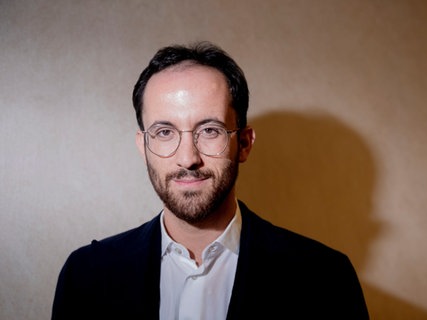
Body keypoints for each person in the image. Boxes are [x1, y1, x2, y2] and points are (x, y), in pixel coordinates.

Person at [52, 41, 369, 320]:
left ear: (243, 143)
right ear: (143, 146)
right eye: (165, 132)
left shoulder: (326, 279)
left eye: (210, 130)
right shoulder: (85, 276)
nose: (188, 158)